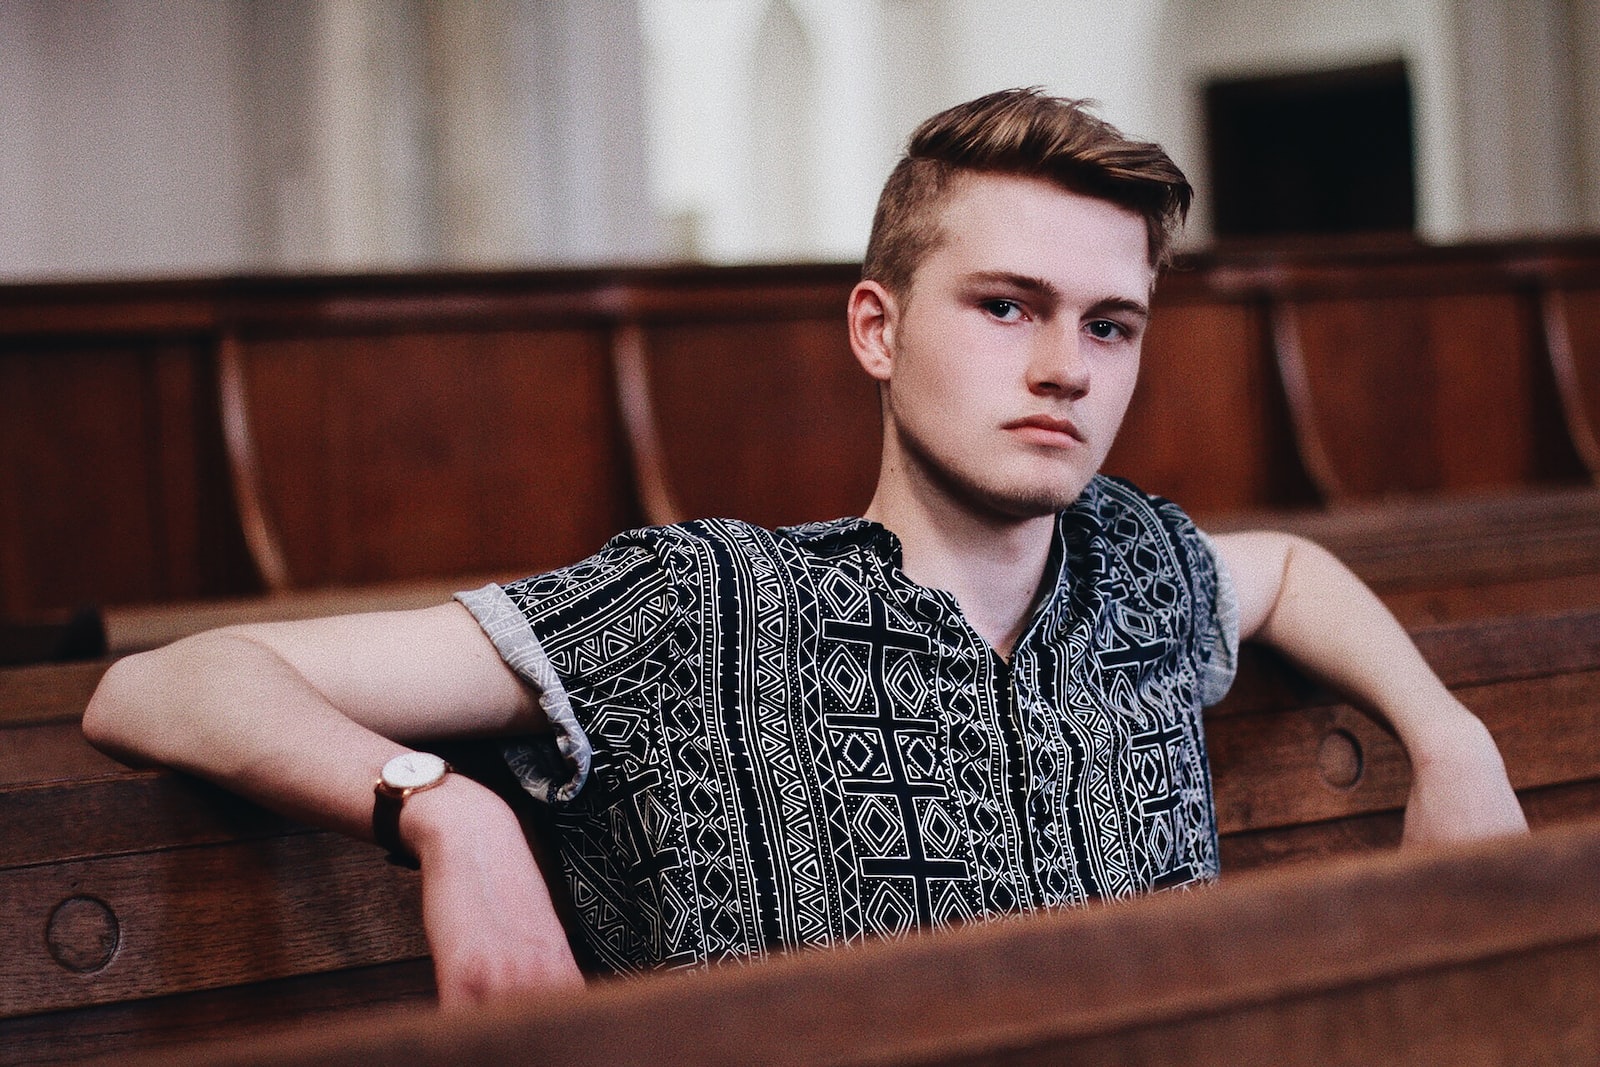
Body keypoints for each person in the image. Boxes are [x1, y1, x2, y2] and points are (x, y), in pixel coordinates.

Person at [82, 88, 1527, 1009]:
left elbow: (1284, 572)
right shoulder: (697, 604)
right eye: (1007, 306)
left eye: (1109, 324)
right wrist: (446, 814)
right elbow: (163, 685)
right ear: (878, 330)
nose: (1066, 370)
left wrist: (1445, 732)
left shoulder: (1138, 566)